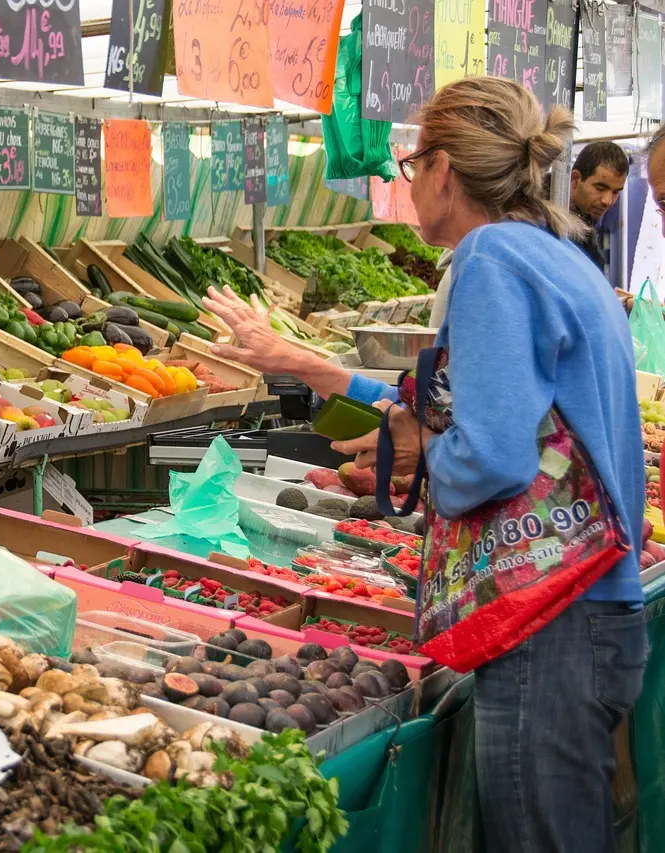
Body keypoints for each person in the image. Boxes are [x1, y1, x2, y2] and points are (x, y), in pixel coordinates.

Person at [208, 77, 645, 853]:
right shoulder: (551, 253)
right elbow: (478, 407)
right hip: (588, 612)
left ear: (442, 169)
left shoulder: (489, 260)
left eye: (409, 164)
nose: (406, 182)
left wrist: (417, 453)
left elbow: (491, 455)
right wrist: (321, 372)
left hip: (550, 625)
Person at [567, 140, 629, 270]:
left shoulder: (585, 223)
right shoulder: (538, 219)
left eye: (615, 192)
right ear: (575, 179)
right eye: (600, 188)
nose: (608, 201)